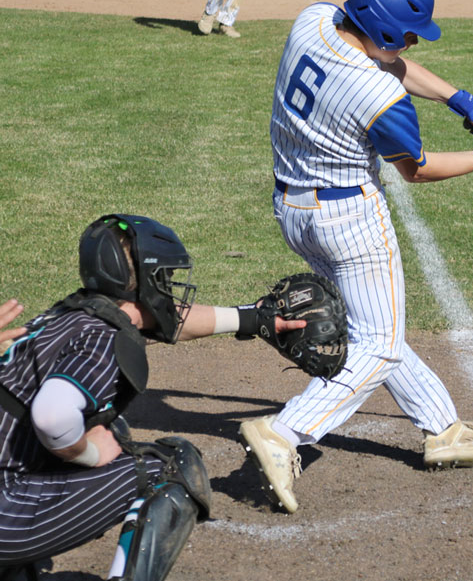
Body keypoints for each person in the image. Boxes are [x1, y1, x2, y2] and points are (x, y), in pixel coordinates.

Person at [238, 0, 473, 514]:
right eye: (409, 31)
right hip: (351, 221)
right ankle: (285, 432)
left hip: (293, 208)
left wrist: (462, 102)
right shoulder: (379, 96)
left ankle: (443, 429)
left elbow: (388, 61)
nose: (415, 41)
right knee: (378, 342)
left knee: (378, 324)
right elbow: (415, 169)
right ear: (386, 28)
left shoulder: (316, 20)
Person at [0, 214, 305, 581]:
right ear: (144, 283)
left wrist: (255, 319)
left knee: (100, 428)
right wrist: (93, 453)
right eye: (165, 279)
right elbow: (53, 417)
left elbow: (167, 320)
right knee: (167, 468)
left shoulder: (67, 316)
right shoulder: (101, 340)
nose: (170, 289)